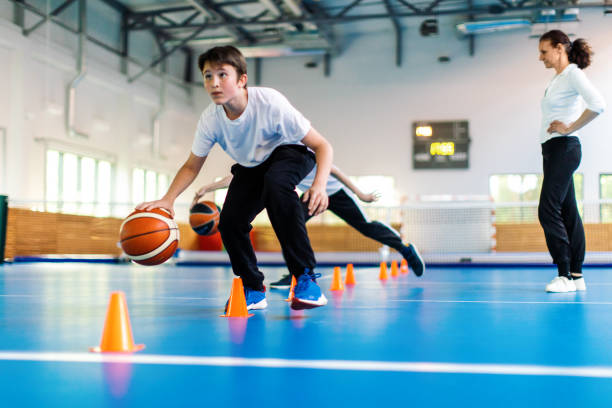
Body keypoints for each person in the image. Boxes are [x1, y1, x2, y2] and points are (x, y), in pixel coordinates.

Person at [137, 45, 333, 310]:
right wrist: (168, 200)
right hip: (252, 165)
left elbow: (322, 146)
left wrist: (319, 186)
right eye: (208, 76)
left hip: (292, 152)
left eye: (222, 75)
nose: (214, 83)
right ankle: (252, 287)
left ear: (242, 79)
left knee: (277, 186)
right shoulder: (211, 120)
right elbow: (192, 165)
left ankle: (306, 277)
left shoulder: (270, 102)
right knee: (229, 222)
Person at [193, 165, 425, 289]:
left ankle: (405, 249)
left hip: (333, 192)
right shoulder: (272, 158)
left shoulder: (302, 148)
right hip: (311, 195)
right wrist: (209, 187)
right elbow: (240, 178)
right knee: (289, 224)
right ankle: (299, 274)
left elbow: (334, 169)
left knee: (365, 226)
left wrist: (360, 193)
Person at [537, 30, 605, 293]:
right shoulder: (558, 79)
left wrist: (570, 127)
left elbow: (597, 105)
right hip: (552, 150)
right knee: (568, 213)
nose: (541, 57)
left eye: (544, 51)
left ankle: (563, 274)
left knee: (547, 209)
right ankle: (576, 276)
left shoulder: (573, 74)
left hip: (564, 148)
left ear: (559, 49)